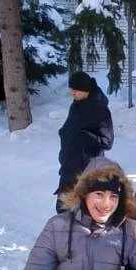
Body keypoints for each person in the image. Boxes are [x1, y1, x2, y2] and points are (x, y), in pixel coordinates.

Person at [56, 71, 114, 207]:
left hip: (88, 172)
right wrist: (63, 134)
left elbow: (107, 141)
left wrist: (84, 137)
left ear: (85, 89)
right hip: (69, 170)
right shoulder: (75, 106)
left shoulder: (100, 109)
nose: (72, 93)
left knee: (84, 215)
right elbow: (70, 130)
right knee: (63, 211)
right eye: (71, 89)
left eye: (75, 90)